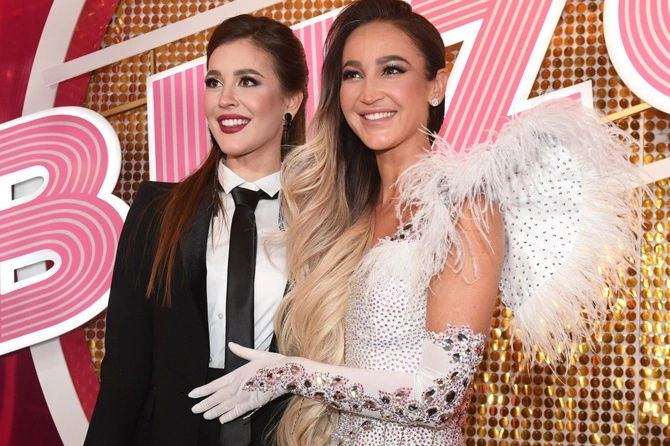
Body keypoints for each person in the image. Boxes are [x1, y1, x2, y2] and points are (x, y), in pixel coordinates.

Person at [189, 1, 646, 445]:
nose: (369, 93)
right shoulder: (340, 215)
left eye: (391, 70)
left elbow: (439, 396)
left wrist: (292, 374)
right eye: (353, 74)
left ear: (435, 86)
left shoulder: (463, 207)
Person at [85, 14, 308, 446]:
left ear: (291, 101)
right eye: (213, 82)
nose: (225, 99)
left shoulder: (326, 220)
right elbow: (125, 370)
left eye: (248, 81)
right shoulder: (157, 212)